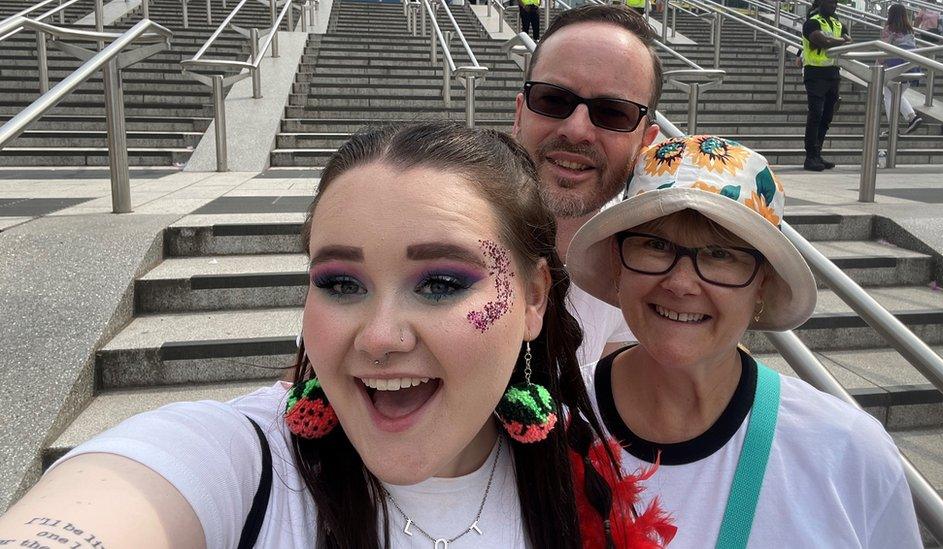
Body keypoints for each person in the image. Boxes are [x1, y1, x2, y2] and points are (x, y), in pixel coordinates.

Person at [0, 123, 674, 548]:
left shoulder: (579, 466)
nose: (378, 336)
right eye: (341, 284)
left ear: (532, 298)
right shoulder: (242, 465)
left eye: (440, 283)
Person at [565, 134, 924, 547]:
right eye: (655, 245)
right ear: (617, 262)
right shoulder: (549, 427)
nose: (681, 283)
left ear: (762, 284)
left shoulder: (847, 453)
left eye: (721, 255)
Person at [513, 5, 664, 365]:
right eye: (552, 100)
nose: (576, 129)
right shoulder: (437, 229)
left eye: (613, 112)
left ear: (646, 143)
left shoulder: (632, 271)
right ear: (520, 113)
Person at [800, 0, 852, 171]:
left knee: (826, 116)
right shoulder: (812, 22)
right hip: (815, 73)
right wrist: (841, 40)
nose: (834, 5)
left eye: (835, 3)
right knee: (815, 114)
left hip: (833, 73)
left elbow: (848, 41)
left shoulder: (837, 23)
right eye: (830, 2)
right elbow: (822, 41)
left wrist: (836, 40)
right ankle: (810, 157)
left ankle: (818, 153)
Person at [881, 4, 925, 135]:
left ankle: (897, 125)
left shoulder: (889, 29)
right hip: (909, 68)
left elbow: (884, 49)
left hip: (893, 68)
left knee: (889, 95)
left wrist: (878, 64)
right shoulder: (909, 30)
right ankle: (911, 117)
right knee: (895, 94)